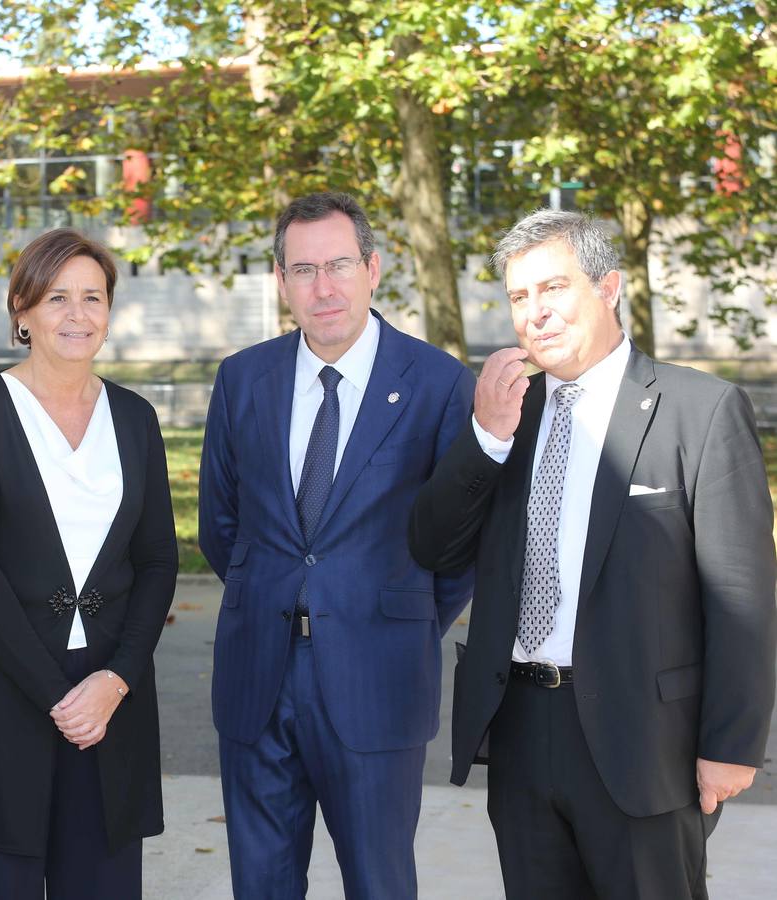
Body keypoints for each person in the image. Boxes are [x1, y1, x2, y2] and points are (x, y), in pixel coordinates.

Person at [409, 209, 777, 899]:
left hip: (647, 743)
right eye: (519, 296)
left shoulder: (701, 411)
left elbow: (744, 599)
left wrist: (730, 745)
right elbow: (433, 545)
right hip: (520, 731)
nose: (535, 313)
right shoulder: (506, 414)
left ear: (608, 287)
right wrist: (485, 437)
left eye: (554, 289)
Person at [198, 191, 476, 899]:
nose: (322, 287)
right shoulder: (243, 379)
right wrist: (269, 601)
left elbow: (458, 543)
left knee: (379, 884)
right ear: (281, 281)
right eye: (302, 269)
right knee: (260, 883)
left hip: (377, 682)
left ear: (373, 268)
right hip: (256, 680)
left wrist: (392, 617)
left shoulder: (438, 384)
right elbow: (219, 523)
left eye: (339, 265)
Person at [0, 228, 178, 899]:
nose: (78, 315)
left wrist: (117, 679)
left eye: (93, 298)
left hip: (109, 701)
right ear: (23, 310)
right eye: (58, 298)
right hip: (6, 693)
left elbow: (158, 561)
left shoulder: (135, 418)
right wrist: (55, 694)